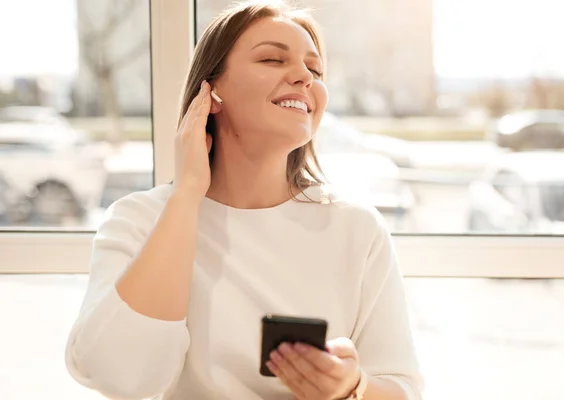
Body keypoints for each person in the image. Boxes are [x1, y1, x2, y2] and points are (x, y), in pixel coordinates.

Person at [64, 1, 423, 399]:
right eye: (272, 59)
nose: (304, 76)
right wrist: (186, 196)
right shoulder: (140, 219)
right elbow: (120, 377)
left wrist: (351, 387)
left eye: (315, 70)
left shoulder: (357, 229)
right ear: (210, 91)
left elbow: (403, 389)